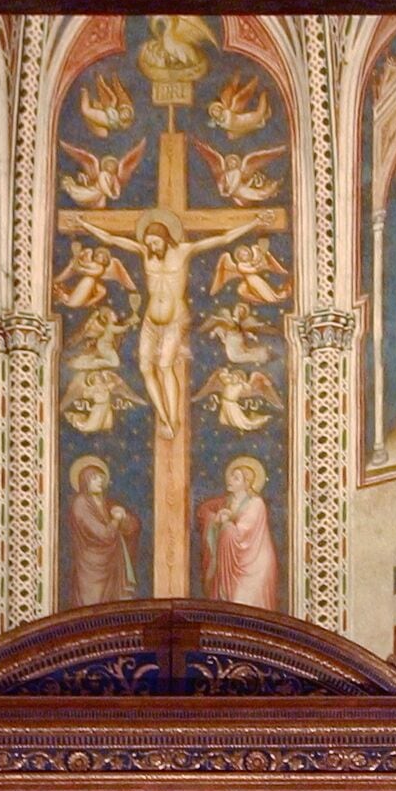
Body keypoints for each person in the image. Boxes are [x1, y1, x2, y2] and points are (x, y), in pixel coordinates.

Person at [106, 216, 258, 433]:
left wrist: (254, 223)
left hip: (175, 319)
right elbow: (110, 238)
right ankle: (164, 416)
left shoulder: (184, 251)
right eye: (148, 243)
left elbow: (223, 239)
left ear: (165, 238)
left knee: (165, 366)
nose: (152, 246)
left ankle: (173, 418)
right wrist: (84, 225)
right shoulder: (145, 252)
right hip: (150, 319)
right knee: (145, 368)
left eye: (155, 242)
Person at [200, 456, 281, 610]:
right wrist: (215, 519)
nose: (230, 480)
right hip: (233, 560)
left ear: (246, 483)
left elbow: (241, 533)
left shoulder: (256, 504)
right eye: (231, 476)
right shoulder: (228, 501)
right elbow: (204, 511)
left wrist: (226, 521)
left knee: (243, 610)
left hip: (253, 563)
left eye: (236, 478)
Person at [66, 456, 140, 602]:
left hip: (112, 564)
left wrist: (124, 517)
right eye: (94, 478)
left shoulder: (106, 504)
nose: (99, 481)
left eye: (101, 477)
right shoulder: (80, 504)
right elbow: (103, 534)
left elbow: (133, 527)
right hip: (91, 568)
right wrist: (116, 520)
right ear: (85, 481)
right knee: (93, 606)